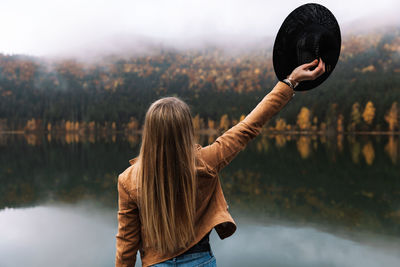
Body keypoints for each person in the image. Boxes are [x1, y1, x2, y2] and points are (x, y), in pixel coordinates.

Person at [115, 58, 326, 267]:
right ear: (187, 130)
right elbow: (249, 126)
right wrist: (290, 81)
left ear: (149, 132)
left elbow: (126, 243)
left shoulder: (128, 180)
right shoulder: (207, 161)